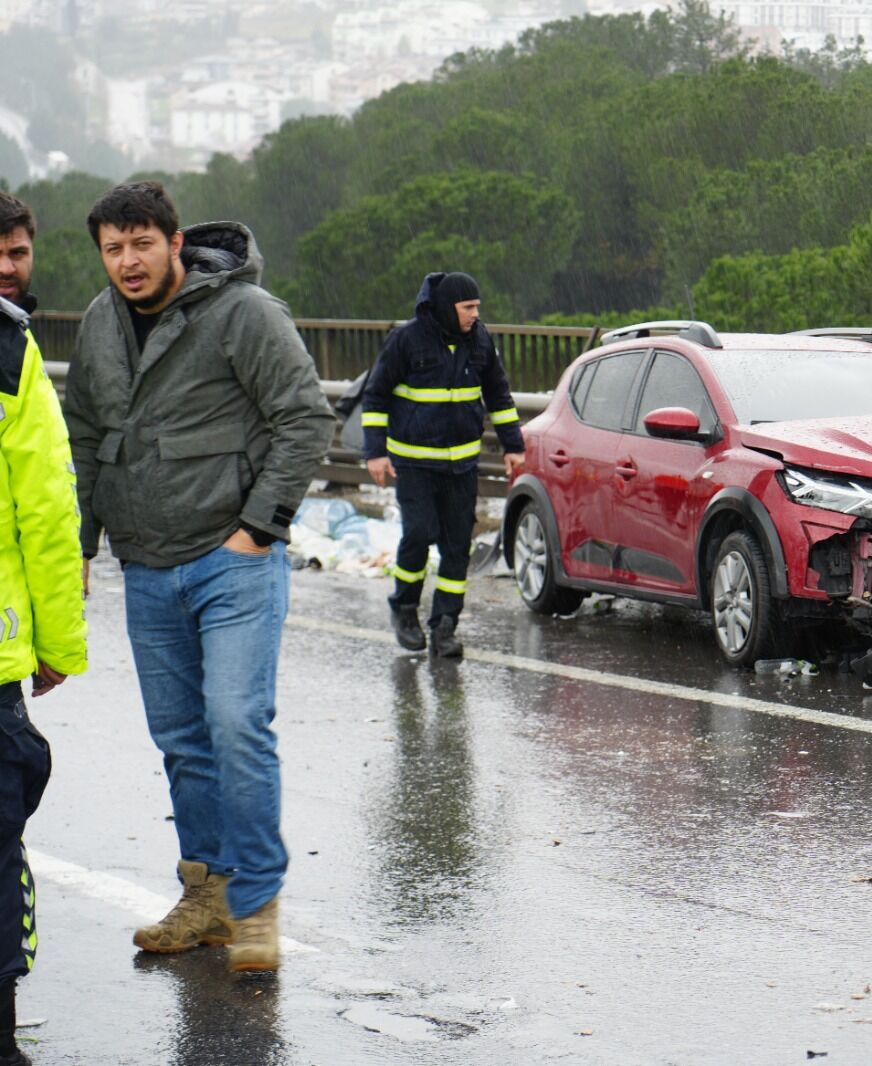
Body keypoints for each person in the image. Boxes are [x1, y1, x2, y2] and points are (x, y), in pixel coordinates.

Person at [62, 181, 334, 974]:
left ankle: (254, 907)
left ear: (175, 243)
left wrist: (259, 529)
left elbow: (305, 417)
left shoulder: (244, 313)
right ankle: (205, 896)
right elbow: (83, 436)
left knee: (235, 725)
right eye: (113, 248)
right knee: (182, 740)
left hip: (230, 559)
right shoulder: (99, 321)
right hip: (146, 563)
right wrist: (80, 543)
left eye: (142, 243)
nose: (128, 262)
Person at [0, 191, 87, 1066]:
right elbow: (46, 510)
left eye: (17, 252)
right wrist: (58, 643)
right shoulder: (10, 352)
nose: (7, 268)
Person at [361, 272, 523, 657]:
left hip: (462, 467)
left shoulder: (481, 340)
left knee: (456, 546)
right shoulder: (406, 340)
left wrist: (512, 445)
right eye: (468, 308)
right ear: (448, 307)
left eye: (477, 307)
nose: (475, 315)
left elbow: (499, 395)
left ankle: (445, 626)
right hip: (415, 465)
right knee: (417, 535)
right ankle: (404, 608)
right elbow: (376, 397)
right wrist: (376, 453)